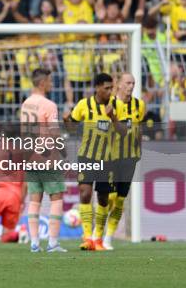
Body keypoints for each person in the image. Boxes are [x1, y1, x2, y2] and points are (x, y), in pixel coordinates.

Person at [63, 73, 126, 251]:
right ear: (97, 88)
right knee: (84, 193)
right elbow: (72, 127)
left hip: (108, 159)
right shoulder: (84, 104)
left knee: (103, 198)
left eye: (111, 88)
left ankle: (98, 237)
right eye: (106, 88)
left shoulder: (117, 105)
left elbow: (123, 132)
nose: (110, 91)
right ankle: (87, 237)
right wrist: (66, 120)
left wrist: (113, 117)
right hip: (87, 156)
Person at [20, 68, 67, 253]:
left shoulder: (26, 103)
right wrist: (63, 153)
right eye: (50, 80)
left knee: (34, 200)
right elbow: (54, 132)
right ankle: (53, 243)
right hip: (47, 157)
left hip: (29, 156)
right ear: (42, 83)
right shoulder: (49, 105)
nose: (52, 83)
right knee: (56, 199)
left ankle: (34, 243)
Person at [102, 73, 145, 250]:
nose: (130, 86)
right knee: (109, 198)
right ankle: (97, 233)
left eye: (133, 83)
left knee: (120, 200)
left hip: (130, 157)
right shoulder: (108, 104)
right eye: (127, 82)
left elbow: (139, 127)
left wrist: (139, 148)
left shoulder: (139, 105)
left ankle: (108, 238)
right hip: (111, 157)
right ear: (118, 84)